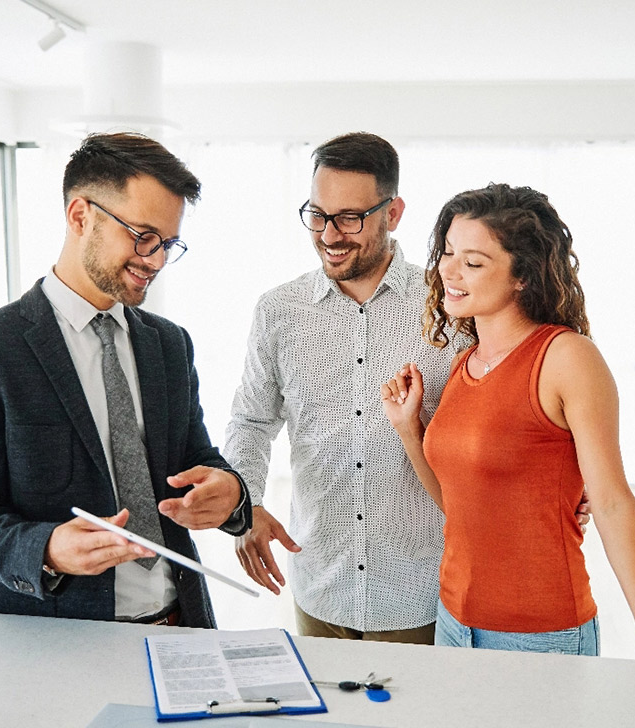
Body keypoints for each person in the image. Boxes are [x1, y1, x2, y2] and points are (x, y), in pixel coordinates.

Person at [223, 133, 587, 644]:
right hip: (319, 586)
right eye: (317, 215)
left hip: (421, 591)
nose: (330, 234)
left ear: (393, 213)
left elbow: (528, 388)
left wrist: (572, 479)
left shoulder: (454, 302)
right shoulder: (278, 311)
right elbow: (251, 420)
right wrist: (247, 504)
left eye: (350, 217)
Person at [381, 183, 635, 691]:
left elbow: (610, 501)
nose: (447, 271)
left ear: (522, 275)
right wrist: (411, 431)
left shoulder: (567, 358)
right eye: (447, 253)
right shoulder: (462, 365)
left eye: (472, 262)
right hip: (453, 621)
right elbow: (461, 506)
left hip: (542, 635)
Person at [0, 132, 251, 627]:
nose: (157, 260)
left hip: (181, 626)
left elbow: (194, 458)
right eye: (143, 236)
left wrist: (229, 490)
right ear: (81, 216)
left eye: (169, 244)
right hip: (55, 640)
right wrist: (48, 548)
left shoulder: (169, 344)